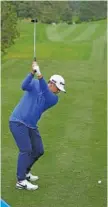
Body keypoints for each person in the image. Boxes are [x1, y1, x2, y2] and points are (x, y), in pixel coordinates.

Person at [9, 61, 66, 190]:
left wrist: (39, 74)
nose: (58, 92)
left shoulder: (53, 99)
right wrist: (32, 73)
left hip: (31, 125)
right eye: (58, 89)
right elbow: (23, 86)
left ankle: (26, 172)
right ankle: (21, 181)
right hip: (17, 121)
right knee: (26, 150)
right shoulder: (35, 83)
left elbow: (45, 92)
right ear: (52, 84)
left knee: (39, 150)